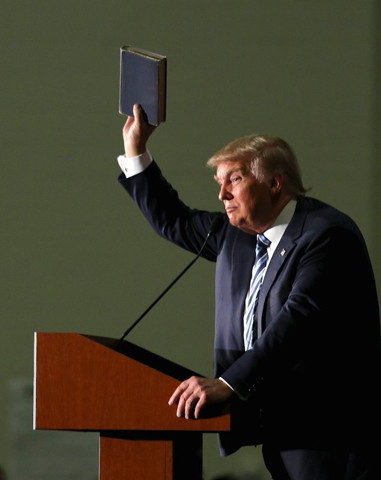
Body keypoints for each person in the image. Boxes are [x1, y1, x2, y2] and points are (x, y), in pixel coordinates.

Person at [117, 104, 381, 480]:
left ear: (275, 183)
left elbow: (298, 319)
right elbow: (172, 219)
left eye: (235, 179)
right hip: (279, 428)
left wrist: (227, 384)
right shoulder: (234, 237)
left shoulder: (325, 234)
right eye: (220, 183)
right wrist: (135, 149)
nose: (222, 194)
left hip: (333, 434)